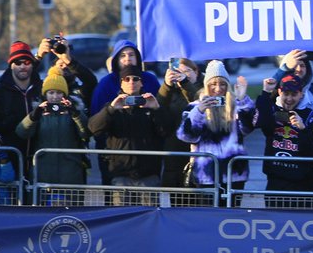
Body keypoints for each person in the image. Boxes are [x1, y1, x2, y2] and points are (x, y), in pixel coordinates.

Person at [89, 63, 170, 203]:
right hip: (121, 174)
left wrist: (157, 109)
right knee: (122, 219)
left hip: (148, 175)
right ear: (121, 83)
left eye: (135, 79)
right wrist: (111, 109)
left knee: (148, 219)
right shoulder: (113, 107)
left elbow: (167, 131)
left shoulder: (151, 106)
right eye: (127, 79)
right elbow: (94, 129)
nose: (131, 82)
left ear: (141, 83)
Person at [177, 60, 255, 191]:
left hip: (234, 173)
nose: (218, 89)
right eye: (213, 84)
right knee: (209, 211)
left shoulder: (237, 105)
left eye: (223, 84)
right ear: (206, 85)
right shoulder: (194, 107)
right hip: (206, 172)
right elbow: (186, 137)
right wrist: (199, 112)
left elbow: (247, 128)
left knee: (233, 211)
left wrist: (241, 100)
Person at [16, 69, 91, 202]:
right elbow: (21, 132)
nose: (55, 97)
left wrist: (74, 113)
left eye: (59, 93)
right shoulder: (38, 113)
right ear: (45, 95)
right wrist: (34, 115)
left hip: (70, 173)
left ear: (65, 94)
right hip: (43, 171)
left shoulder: (74, 111)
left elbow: (85, 132)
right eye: (51, 93)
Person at [254, 73, 313, 198]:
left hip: (303, 184)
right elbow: (260, 123)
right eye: (286, 94)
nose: (289, 99)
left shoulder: (311, 116)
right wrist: (266, 93)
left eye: (294, 94)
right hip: (275, 181)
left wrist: (303, 129)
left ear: (301, 94)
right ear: (280, 92)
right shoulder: (272, 110)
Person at [0, 42, 42, 173]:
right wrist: (6, 125)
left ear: (33, 65)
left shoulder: (43, 90)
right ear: (11, 66)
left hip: (38, 160)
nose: (22, 66)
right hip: (7, 162)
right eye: (17, 63)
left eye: (27, 62)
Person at [155, 57, 202, 187]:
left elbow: (197, 101)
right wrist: (166, 85)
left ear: (196, 72)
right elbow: (158, 108)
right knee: (176, 195)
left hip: (196, 150)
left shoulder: (204, 88)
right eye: (177, 71)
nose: (181, 74)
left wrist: (185, 83)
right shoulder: (170, 91)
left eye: (186, 71)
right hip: (174, 150)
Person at [36, 35, 98, 110]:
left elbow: (90, 80)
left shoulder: (81, 91)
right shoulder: (44, 89)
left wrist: (69, 61)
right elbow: (27, 76)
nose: (65, 67)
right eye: (61, 65)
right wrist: (38, 57)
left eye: (67, 66)